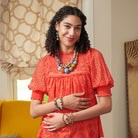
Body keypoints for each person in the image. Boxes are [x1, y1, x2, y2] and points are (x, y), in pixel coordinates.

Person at [28, 5, 114, 138]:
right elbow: (34, 111)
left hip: (85, 132)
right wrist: (62, 102)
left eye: (77, 28)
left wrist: (67, 118)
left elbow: (106, 105)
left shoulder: (93, 57)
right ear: (57, 26)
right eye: (67, 26)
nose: (72, 32)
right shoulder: (44, 63)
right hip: (52, 132)